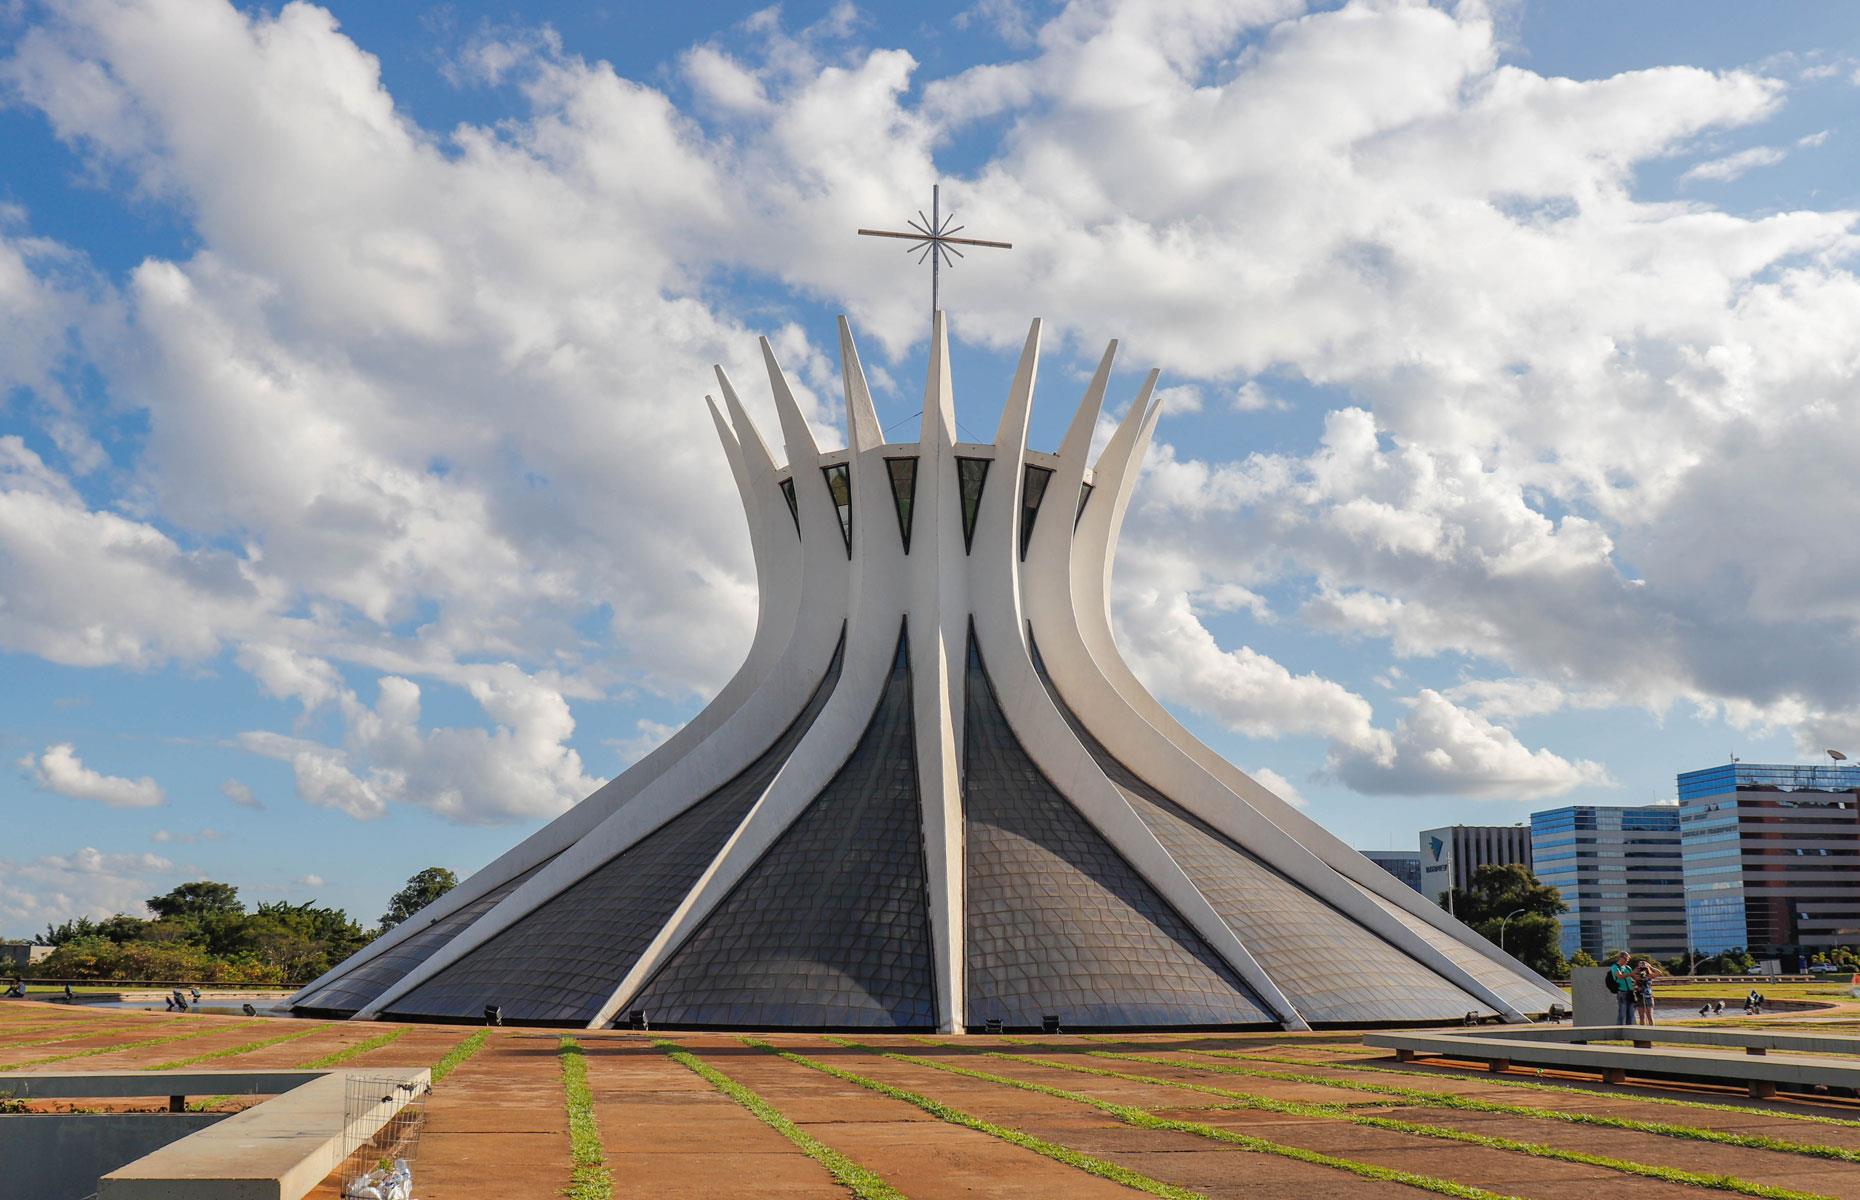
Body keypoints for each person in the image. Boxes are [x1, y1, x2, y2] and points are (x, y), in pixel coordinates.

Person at [1607, 951, 1637, 1025]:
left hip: (1630, 992)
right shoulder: (1615, 967)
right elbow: (1619, 976)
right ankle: (1619, 1030)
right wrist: (1631, 973)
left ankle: (1629, 1030)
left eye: (1628, 959)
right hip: (1622, 992)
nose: (1627, 960)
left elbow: (1634, 977)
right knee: (1622, 1013)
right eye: (1626, 958)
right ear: (1621, 958)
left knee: (1631, 1013)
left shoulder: (1628, 967)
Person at [1633, 959, 1660, 1026]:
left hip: (1648, 996)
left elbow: (1659, 973)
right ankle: (1642, 1031)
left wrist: (1650, 967)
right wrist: (1637, 969)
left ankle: (1652, 1031)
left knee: (1649, 1016)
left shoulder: (1649, 975)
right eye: (1641, 967)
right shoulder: (1637, 975)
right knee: (1642, 1017)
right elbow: (1631, 975)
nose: (1642, 969)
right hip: (1640, 996)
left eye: (1643, 967)